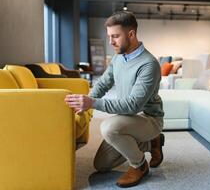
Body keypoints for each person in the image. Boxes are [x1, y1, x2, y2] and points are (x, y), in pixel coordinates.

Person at [65, 11, 165, 188]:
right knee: (101, 165)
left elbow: (133, 105)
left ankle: (139, 165)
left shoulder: (148, 64)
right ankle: (151, 143)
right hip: (127, 118)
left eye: (115, 36)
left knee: (108, 127)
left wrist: (93, 103)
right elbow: (103, 83)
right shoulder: (119, 57)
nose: (111, 42)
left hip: (148, 118)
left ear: (131, 34)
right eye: (109, 36)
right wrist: (87, 101)